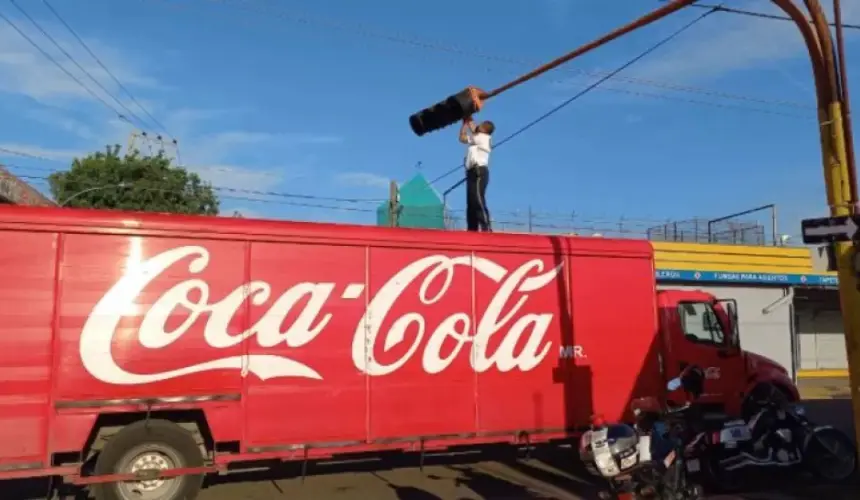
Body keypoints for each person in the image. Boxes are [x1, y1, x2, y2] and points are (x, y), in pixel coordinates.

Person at [459, 116, 495, 232]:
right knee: (470, 201)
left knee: (478, 198)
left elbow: (469, 133)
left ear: (484, 129)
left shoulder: (483, 137)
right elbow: (466, 135)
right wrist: (466, 122)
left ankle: (486, 227)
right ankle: (472, 228)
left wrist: (467, 122)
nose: (479, 125)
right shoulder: (477, 138)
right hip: (471, 172)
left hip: (479, 171)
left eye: (481, 124)